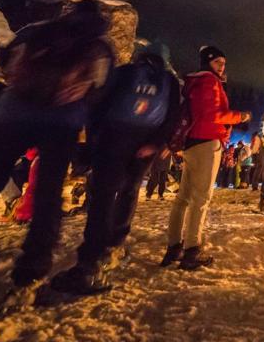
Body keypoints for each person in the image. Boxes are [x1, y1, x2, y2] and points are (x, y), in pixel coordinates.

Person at [0, 0, 114, 303]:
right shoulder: (100, 44)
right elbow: (101, 89)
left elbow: (6, 56)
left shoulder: (37, 30)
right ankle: (31, 273)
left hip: (10, 113)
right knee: (47, 196)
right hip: (61, 120)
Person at [50, 43, 181, 294]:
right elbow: (172, 115)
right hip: (147, 139)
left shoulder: (125, 72)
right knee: (130, 190)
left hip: (114, 136)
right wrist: (155, 142)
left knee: (102, 195)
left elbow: (99, 105)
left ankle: (90, 260)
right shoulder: (169, 82)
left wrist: (94, 139)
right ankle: (116, 242)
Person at [161, 46, 251, 270]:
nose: (222, 66)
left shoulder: (196, 82)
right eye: (218, 62)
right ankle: (192, 249)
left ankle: (174, 246)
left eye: (224, 62)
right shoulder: (209, 82)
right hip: (207, 142)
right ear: (207, 62)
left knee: (183, 198)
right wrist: (241, 116)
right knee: (200, 199)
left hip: (193, 143)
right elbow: (213, 115)